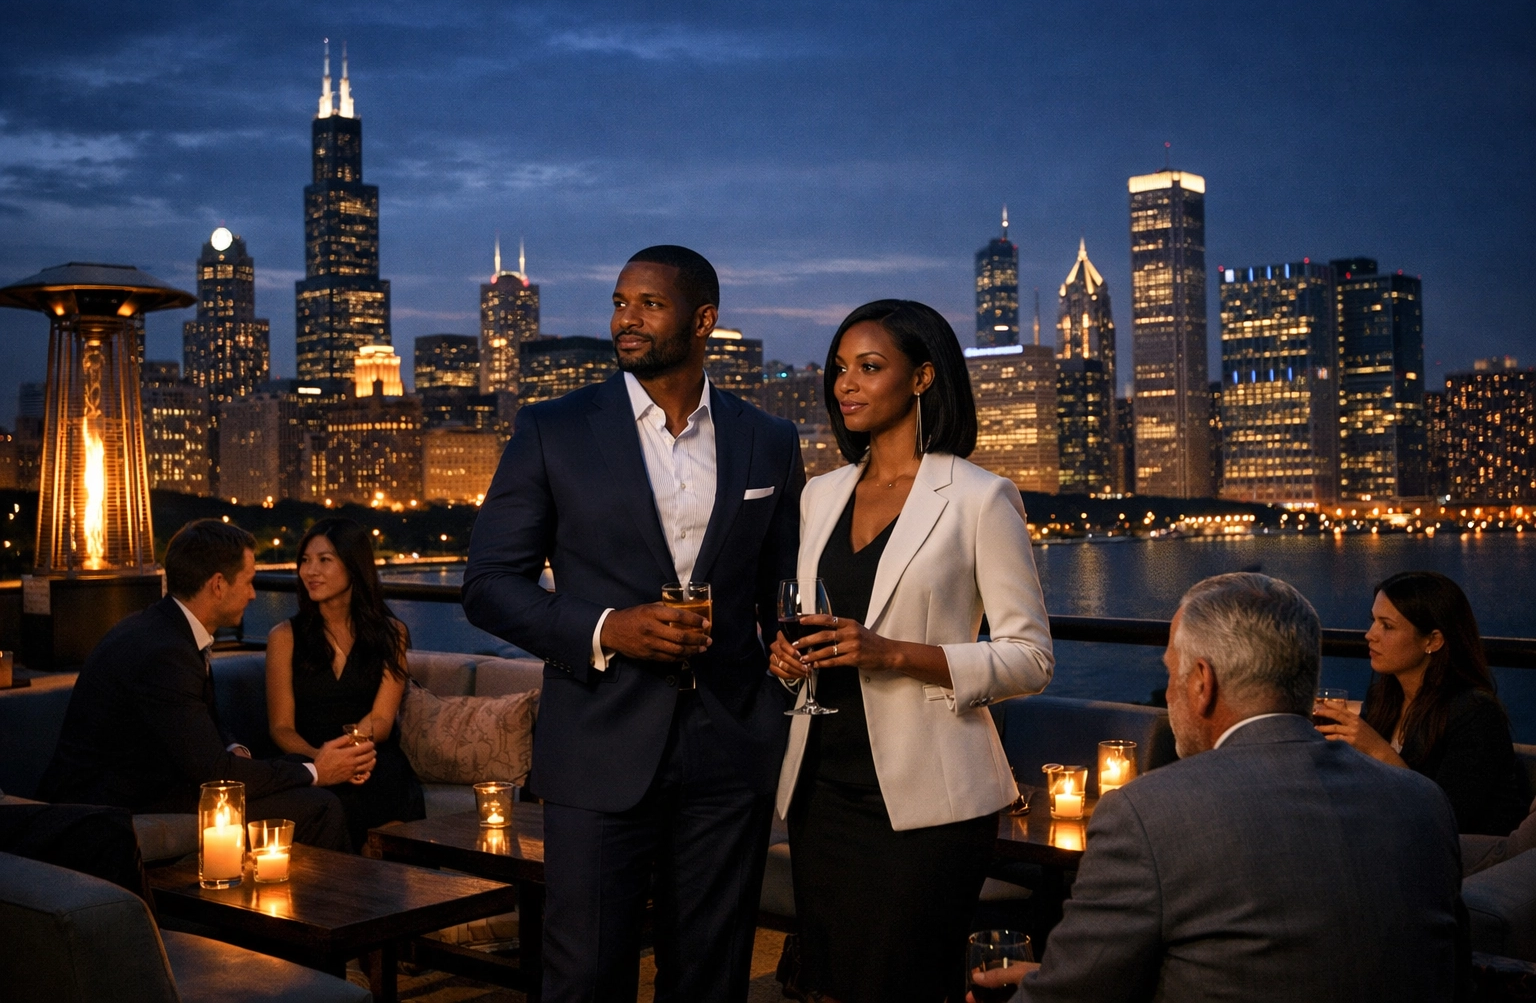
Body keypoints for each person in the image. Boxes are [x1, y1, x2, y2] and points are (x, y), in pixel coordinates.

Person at [463, 245, 804, 1003]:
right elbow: (487, 586)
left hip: (731, 749)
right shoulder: (553, 429)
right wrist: (606, 628)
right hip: (597, 742)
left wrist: (781, 688)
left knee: (711, 978)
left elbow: (784, 594)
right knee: (585, 976)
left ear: (703, 319)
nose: (627, 318)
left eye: (650, 303)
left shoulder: (769, 440)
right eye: (620, 302)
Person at [971, 572, 1465, 1003]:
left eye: (1172, 672)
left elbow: (1071, 995)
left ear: (1202, 682)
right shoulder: (1421, 801)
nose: (1169, 692)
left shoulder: (1149, 813)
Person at [767, 299, 1054, 1003]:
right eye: (840, 368)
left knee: (903, 985)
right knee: (828, 987)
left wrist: (893, 653)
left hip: (931, 802)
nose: (846, 383)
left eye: (869, 367)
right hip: (819, 791)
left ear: (923, 377)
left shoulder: (980, 498)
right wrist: (785, 658)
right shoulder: (820, 495)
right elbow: (808, 620)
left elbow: (1031, 657)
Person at [39, 519, 371, 851]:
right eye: (248, 582)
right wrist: (316, 770)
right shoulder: (166, 654)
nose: (253, 594)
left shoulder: (165, 628)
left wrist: (233, 747)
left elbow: (198, 720)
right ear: (218, 585)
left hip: (152, 783)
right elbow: (213, 773)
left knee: (300, 784)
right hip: (112, 809)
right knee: (319, 806)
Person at [1316, 570, 1529, 835]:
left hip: (1470, 851)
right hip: (1393, 838)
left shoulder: (1474, 712)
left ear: (1433, 640)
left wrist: (1377, 750)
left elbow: (1447, 818)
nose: (1370, 635)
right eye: (1373, 621)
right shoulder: (1383, 698)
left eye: (1387, 626)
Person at [265, 517, 425, 850]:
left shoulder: (392, 633)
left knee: (389, 775)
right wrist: (321, 762)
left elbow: (382, 719)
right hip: (308, 757)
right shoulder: (284, 636)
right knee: (325, 792)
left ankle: (389, 866)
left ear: (353, 566)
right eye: (305, 561)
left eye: (324, 560)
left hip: (368, 753)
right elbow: (281, 727)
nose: (310, 571)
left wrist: (351, 757)